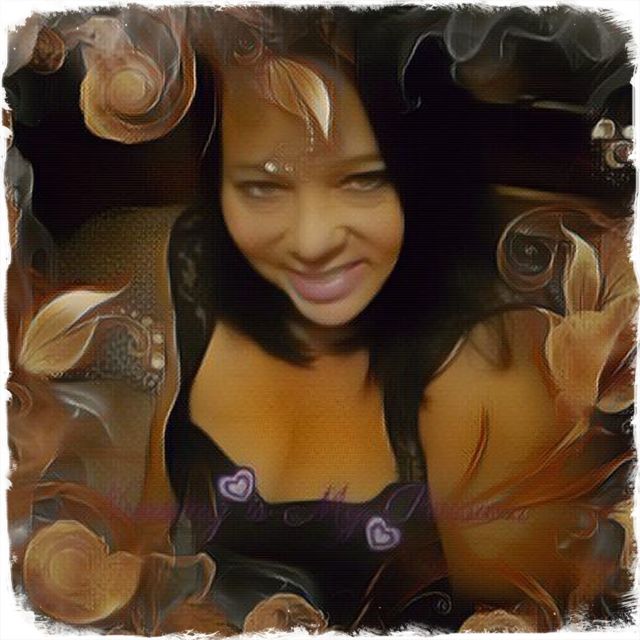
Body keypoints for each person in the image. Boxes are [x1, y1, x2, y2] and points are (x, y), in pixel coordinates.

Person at [163, 7, 631, 633]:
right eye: (262, 188)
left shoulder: (487, 372)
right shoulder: (194, 266)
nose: (312, 242)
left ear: (427, 176)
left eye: (364, 181)